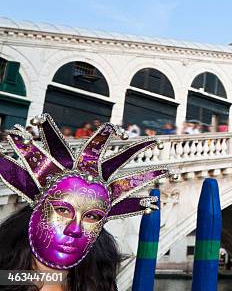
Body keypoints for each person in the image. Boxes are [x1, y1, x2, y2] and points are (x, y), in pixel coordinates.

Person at [0, 114, 167, 291]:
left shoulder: (90, 282)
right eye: (63, 210)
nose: (75, 229)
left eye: (92, 216)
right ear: (37, 210)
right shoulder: (10, 277)